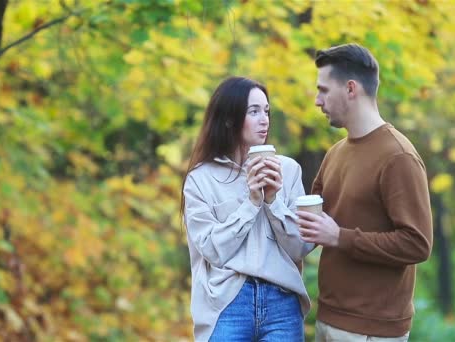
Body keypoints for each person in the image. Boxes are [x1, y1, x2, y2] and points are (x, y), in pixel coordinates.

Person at [297, 43, 433, 342]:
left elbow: (417, 244)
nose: (317, 101)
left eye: (323, 90)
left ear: (350, 88)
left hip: (373, 330)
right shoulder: (335, 154)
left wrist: (340, 237)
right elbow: (311, 228)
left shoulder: (399, 157)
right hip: (329, 318)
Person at [181, 76, 314, 341]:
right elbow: (212, 250)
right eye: (254, 111)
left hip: (282, 301)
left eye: (266, 111)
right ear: (229, 119)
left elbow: (301, 247)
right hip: (226, 302)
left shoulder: (287, 170)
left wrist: (272, 201)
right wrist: (252, 202)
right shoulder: (201, 179)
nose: (264, 119)